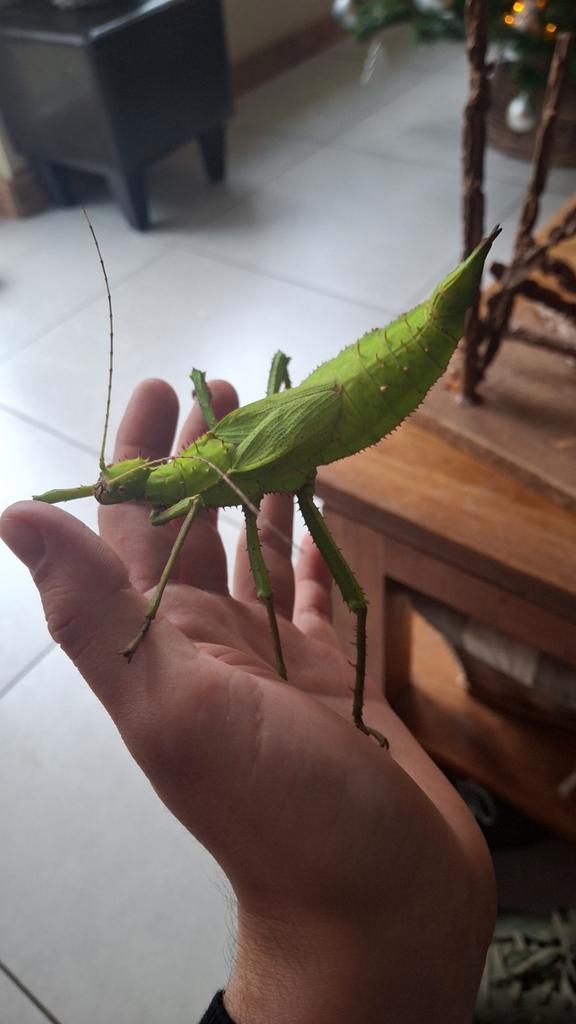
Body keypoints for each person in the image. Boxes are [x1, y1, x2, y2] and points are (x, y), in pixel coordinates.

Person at [0, 378, 496, 1024]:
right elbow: (158, 511)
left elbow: (167, 526)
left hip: (315, 423)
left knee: (350, 600)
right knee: (327, 596)